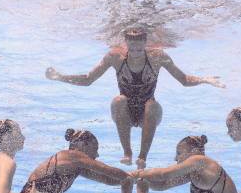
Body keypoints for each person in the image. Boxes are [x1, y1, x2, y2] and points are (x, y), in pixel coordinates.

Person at [45, 27, 225, 169]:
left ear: (146, 43)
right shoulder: (115, 57)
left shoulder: (157, 57)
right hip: (125, 113)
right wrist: (60, 77)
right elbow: (87, 79)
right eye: (132, 49)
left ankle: (142, 157)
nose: (137, 52)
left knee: (151, 105)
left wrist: (205, 80)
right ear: (126, 45)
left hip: (150, 113)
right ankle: (128, 152)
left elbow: (184, 80)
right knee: (119, 100)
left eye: (140, 48)